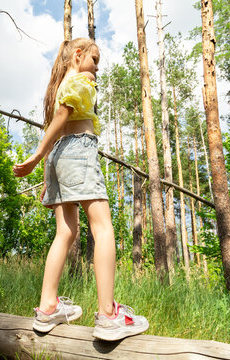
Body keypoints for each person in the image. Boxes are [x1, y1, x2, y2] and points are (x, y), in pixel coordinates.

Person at [13, 38, 149, 340]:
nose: (97, 68)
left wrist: (49, 171)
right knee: (103, 229)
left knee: (66, 232)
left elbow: (58, 124)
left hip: (61, 156)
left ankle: (47, 307)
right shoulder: (81, 79)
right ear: (78, 55)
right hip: (78, 151)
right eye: (95, 59)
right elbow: (62, 116)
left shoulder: (62, 82)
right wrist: (36, 157)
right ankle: (108, 315)